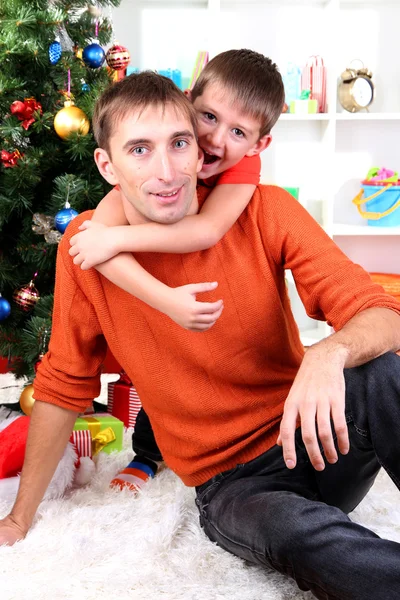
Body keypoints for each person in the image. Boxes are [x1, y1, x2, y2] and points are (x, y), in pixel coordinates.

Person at [1, 71, 400, 600]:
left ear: (198, 150)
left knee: (381, 369)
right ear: (107, 165)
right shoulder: (87, 247)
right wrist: (18, 518)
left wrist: (330, 352)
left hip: (315, 436)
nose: (166, 171)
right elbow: (63, 382)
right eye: (139, 149)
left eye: (179, 144)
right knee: (301, 536)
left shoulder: (266, 207)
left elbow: (381, 312)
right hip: (235, 484)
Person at [68, 49, 281, 492]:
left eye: (238, 132)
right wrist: (161, 297)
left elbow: (205, 230)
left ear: (258, 145)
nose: (215, 140)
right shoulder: (175, 145)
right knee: (160, 373)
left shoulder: (243, 168)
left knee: (204, 369)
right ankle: (148, 453)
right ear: (189, 102)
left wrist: (121, 238)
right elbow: (94, 242)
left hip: (211, 277)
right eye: (207, 117)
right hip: (162, 282)